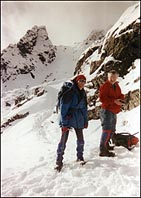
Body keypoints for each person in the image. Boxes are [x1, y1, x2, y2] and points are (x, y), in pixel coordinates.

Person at [55, 74, 88, 171]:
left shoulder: (82, 93)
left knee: (81, 139)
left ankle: (80, 157)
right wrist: (64, 123)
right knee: (63, 140)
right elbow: (63, 108)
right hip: (68, 118)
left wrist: (85, 120)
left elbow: (84, 108)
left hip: (78, 118)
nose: (82, 83)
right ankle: (59, 161)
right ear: (76, 81)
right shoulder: (69, 91)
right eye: (80, 80)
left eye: (84, 81)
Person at [99, 70, 125, 157]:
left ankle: (106, 145)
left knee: (112, 129)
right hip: (106, 110)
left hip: (113, 110)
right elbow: (102, 99)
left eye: (114, 77)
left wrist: (121, 99)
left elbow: (119, 94)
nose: (112, 78)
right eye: (111, 77)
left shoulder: (116, 85)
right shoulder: (105, 86)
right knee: (107, 129)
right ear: (108, 77)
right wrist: (114, 101)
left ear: (117, 77)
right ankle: (103, 150)